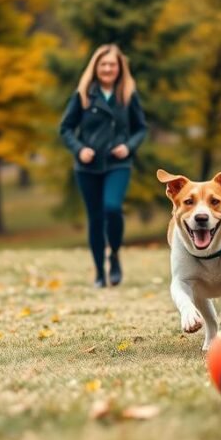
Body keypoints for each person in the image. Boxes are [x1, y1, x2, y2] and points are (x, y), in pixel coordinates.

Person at [59, 44, 148, 287]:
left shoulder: (127, 95)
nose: (108, 68)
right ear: (96, 67)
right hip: (87, 167)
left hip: (118, 164)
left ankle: (115, 255)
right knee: (95, 219)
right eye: (103, 64)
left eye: (112, 64)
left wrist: (128, 147)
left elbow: (141, 128)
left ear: (120, 68)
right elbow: (65, 128)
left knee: (112, 208)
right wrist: (79, 149)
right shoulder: (84, 94)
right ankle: (99, 271)